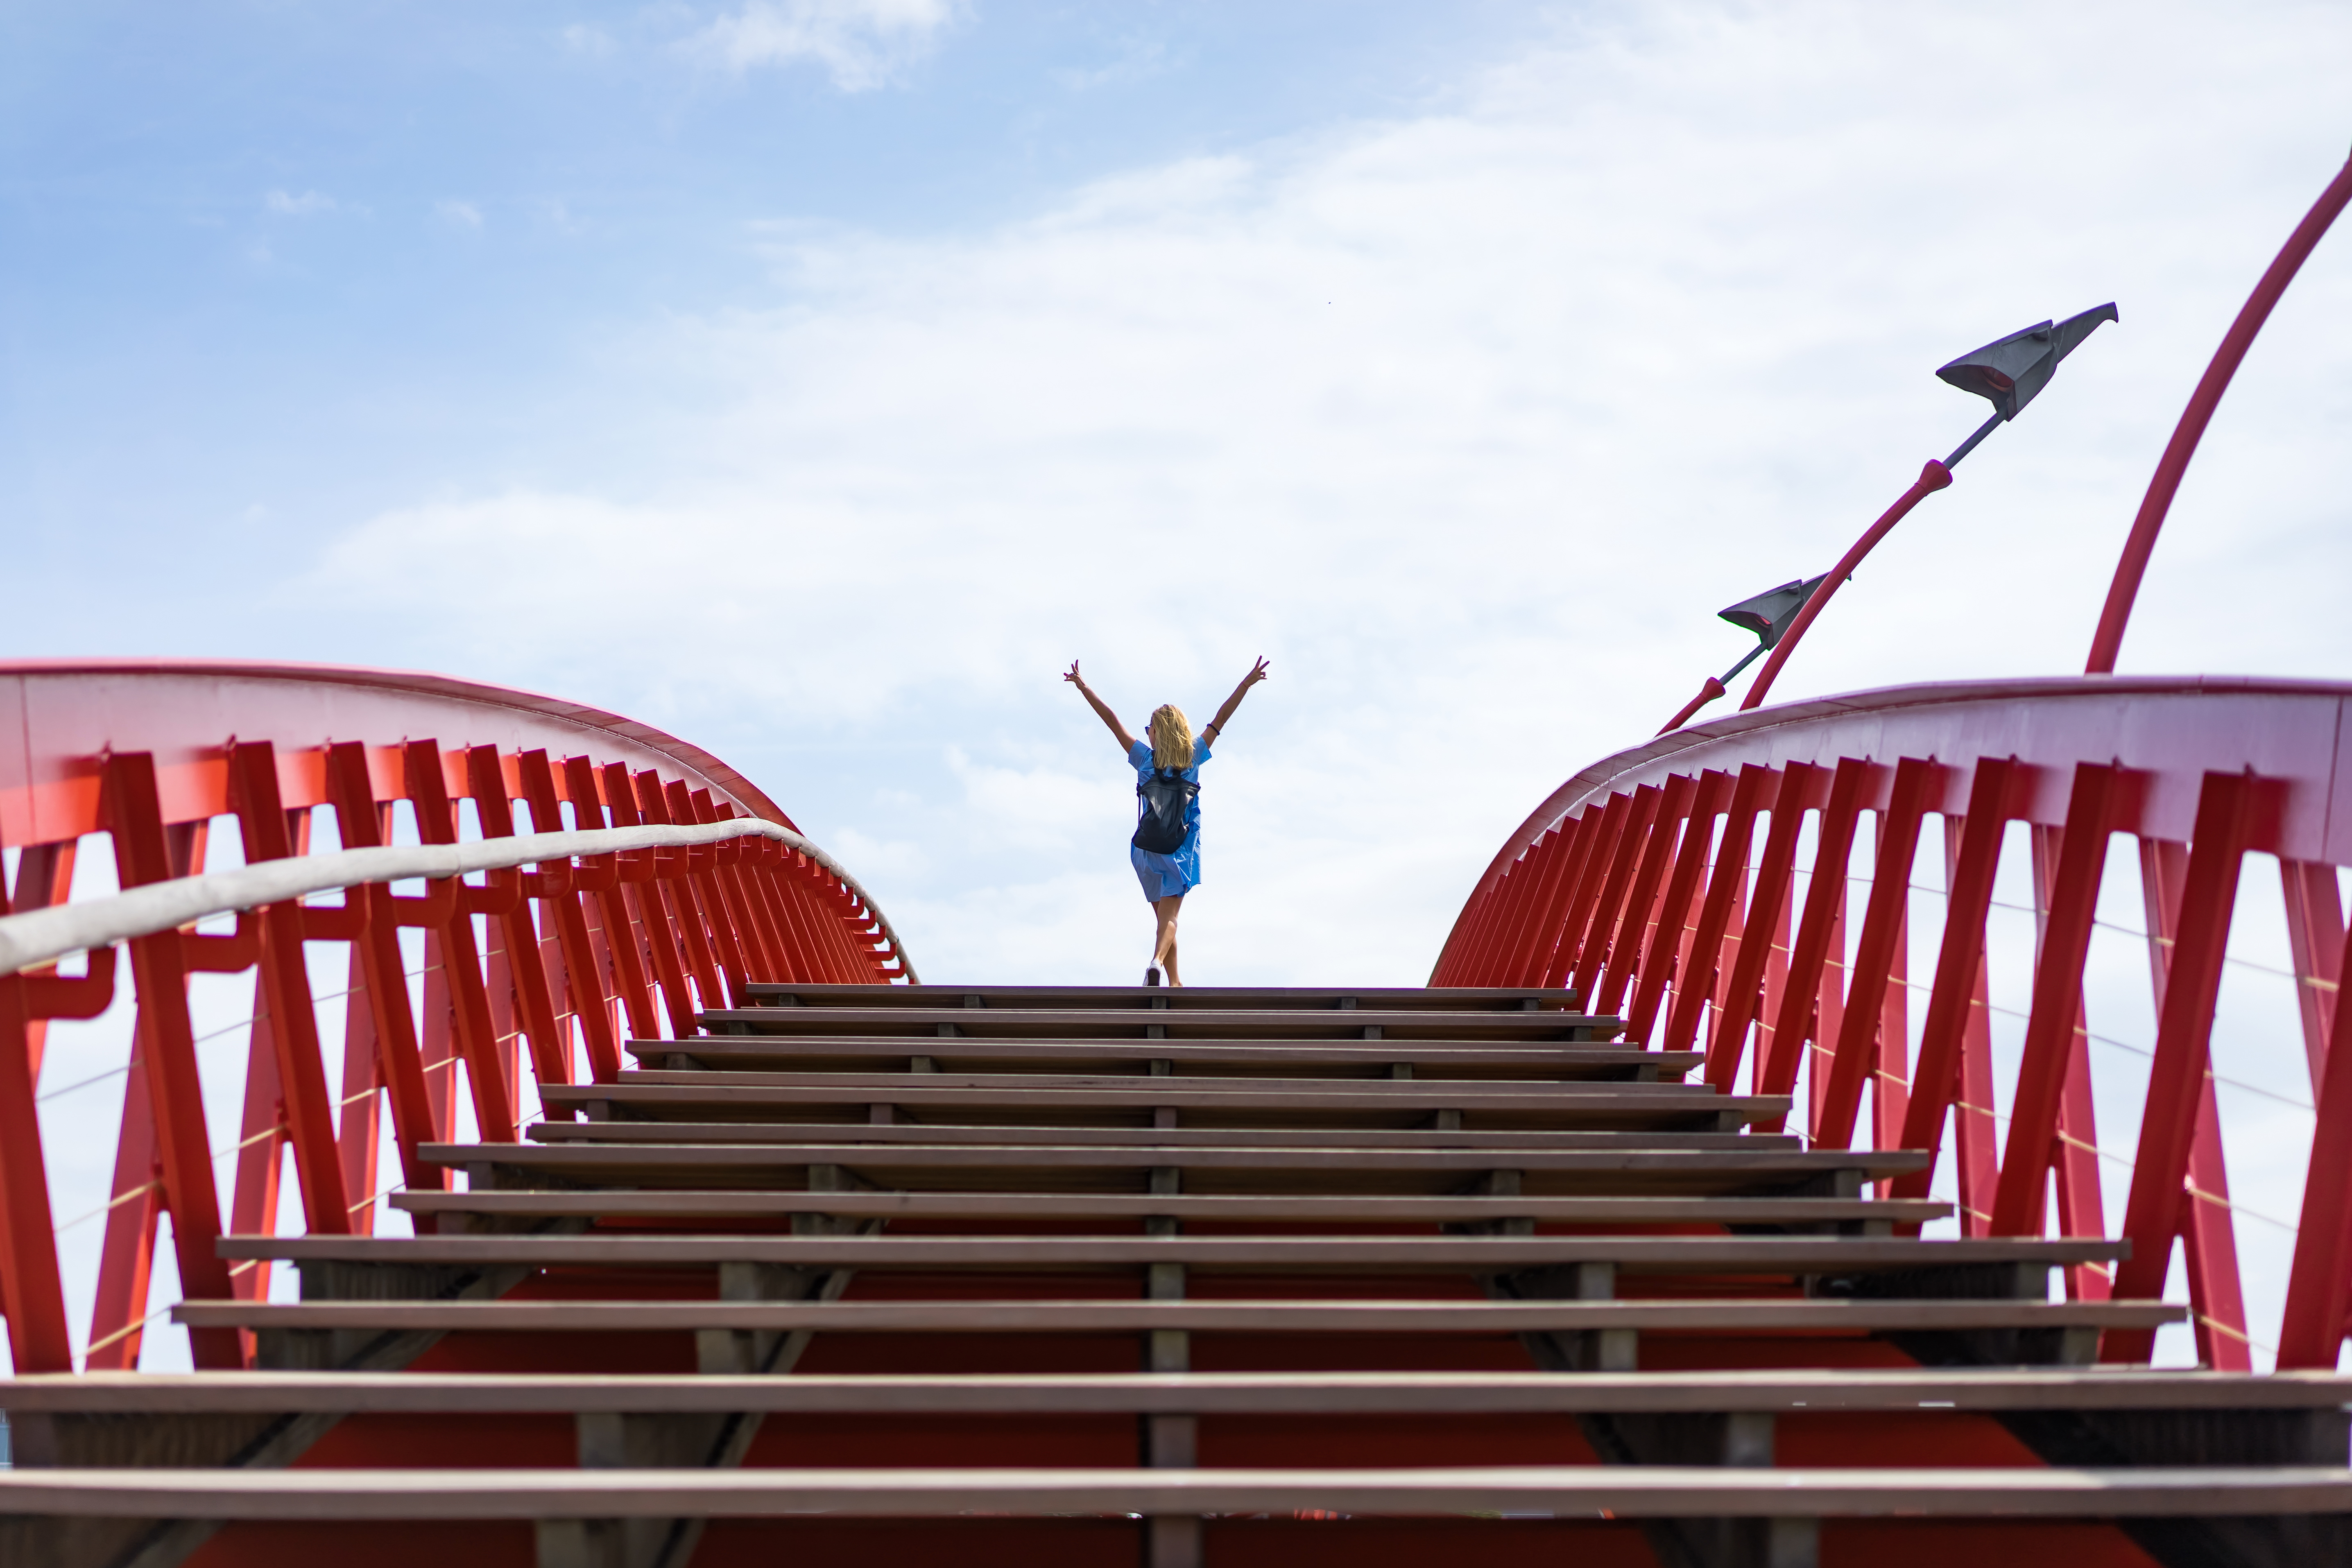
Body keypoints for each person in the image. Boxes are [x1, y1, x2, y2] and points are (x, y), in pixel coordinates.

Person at [1063, 656, 1270, 987]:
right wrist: (1246, 684)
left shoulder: (1144, 758)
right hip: (1180, 849)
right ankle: (1157, 962)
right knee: (1171, 918)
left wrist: (1084, 688)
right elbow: (1221, 718)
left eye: (1149, 728)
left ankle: (1174, 981)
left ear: (1157, 732)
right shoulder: (1193, 756)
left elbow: (1111, 722)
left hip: (1146, 850)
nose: (1146, 732)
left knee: (1163, 919)